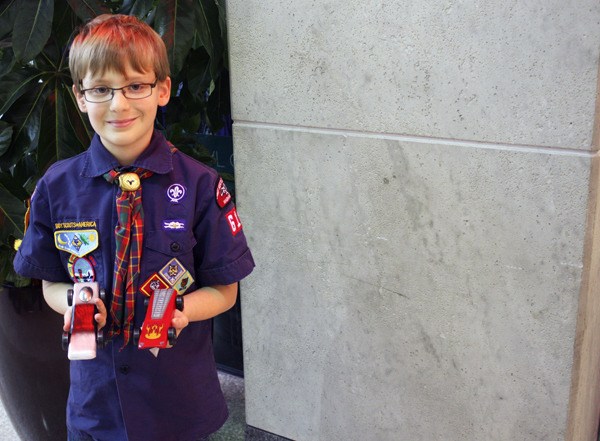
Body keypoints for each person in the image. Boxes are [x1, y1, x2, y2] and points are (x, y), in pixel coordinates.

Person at [13, 14, 255, 441]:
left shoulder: (200, 186)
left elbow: (224, 290)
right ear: (80, 97)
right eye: (101, 89)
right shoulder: (57, 186)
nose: (119, 105)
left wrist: (181, 312)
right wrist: (72, 303)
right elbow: (50, 282)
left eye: (135, 86)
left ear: (162, 89)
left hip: (176, 400)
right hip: (95, 403)